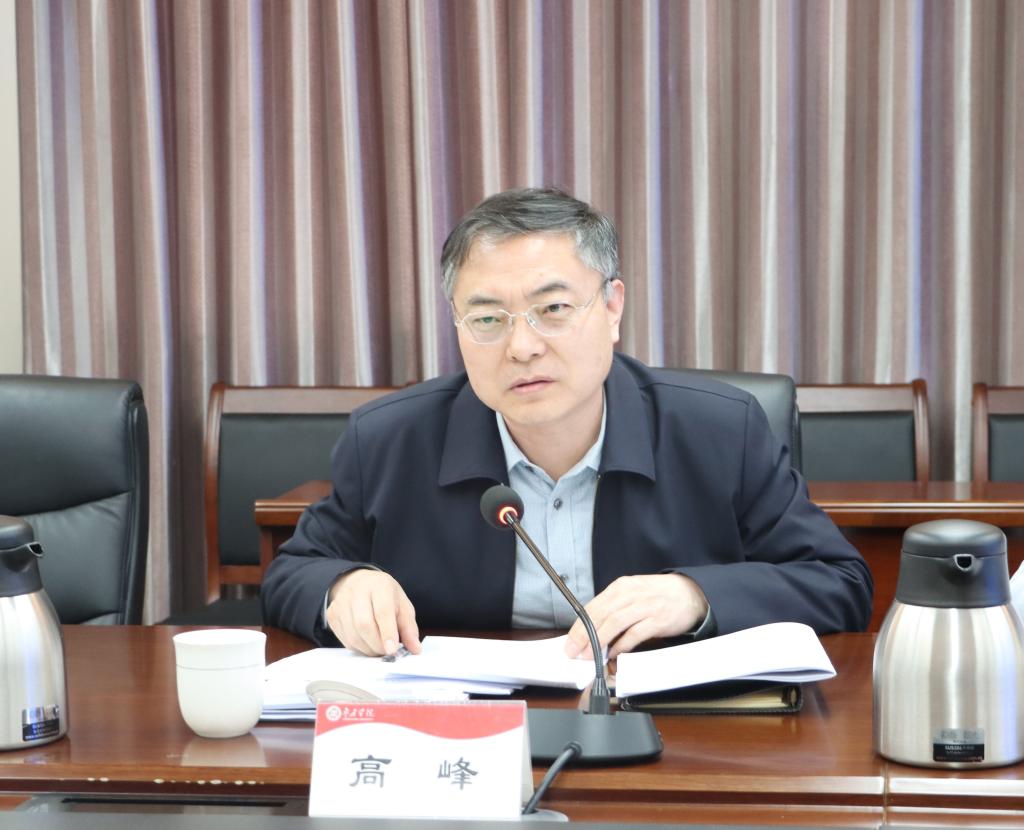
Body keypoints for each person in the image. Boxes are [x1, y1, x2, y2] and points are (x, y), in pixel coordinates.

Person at [261, 187, 872, 657]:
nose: (522, 347)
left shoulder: (720, 430)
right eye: (488, 319)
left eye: (552, 308)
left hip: (673, 730)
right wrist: (342, 588)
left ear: (612, 308)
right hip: (471, 730)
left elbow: (840, 582)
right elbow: (292, 572)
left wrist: (695, 596)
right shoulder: (389, 440)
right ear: (457, 325)